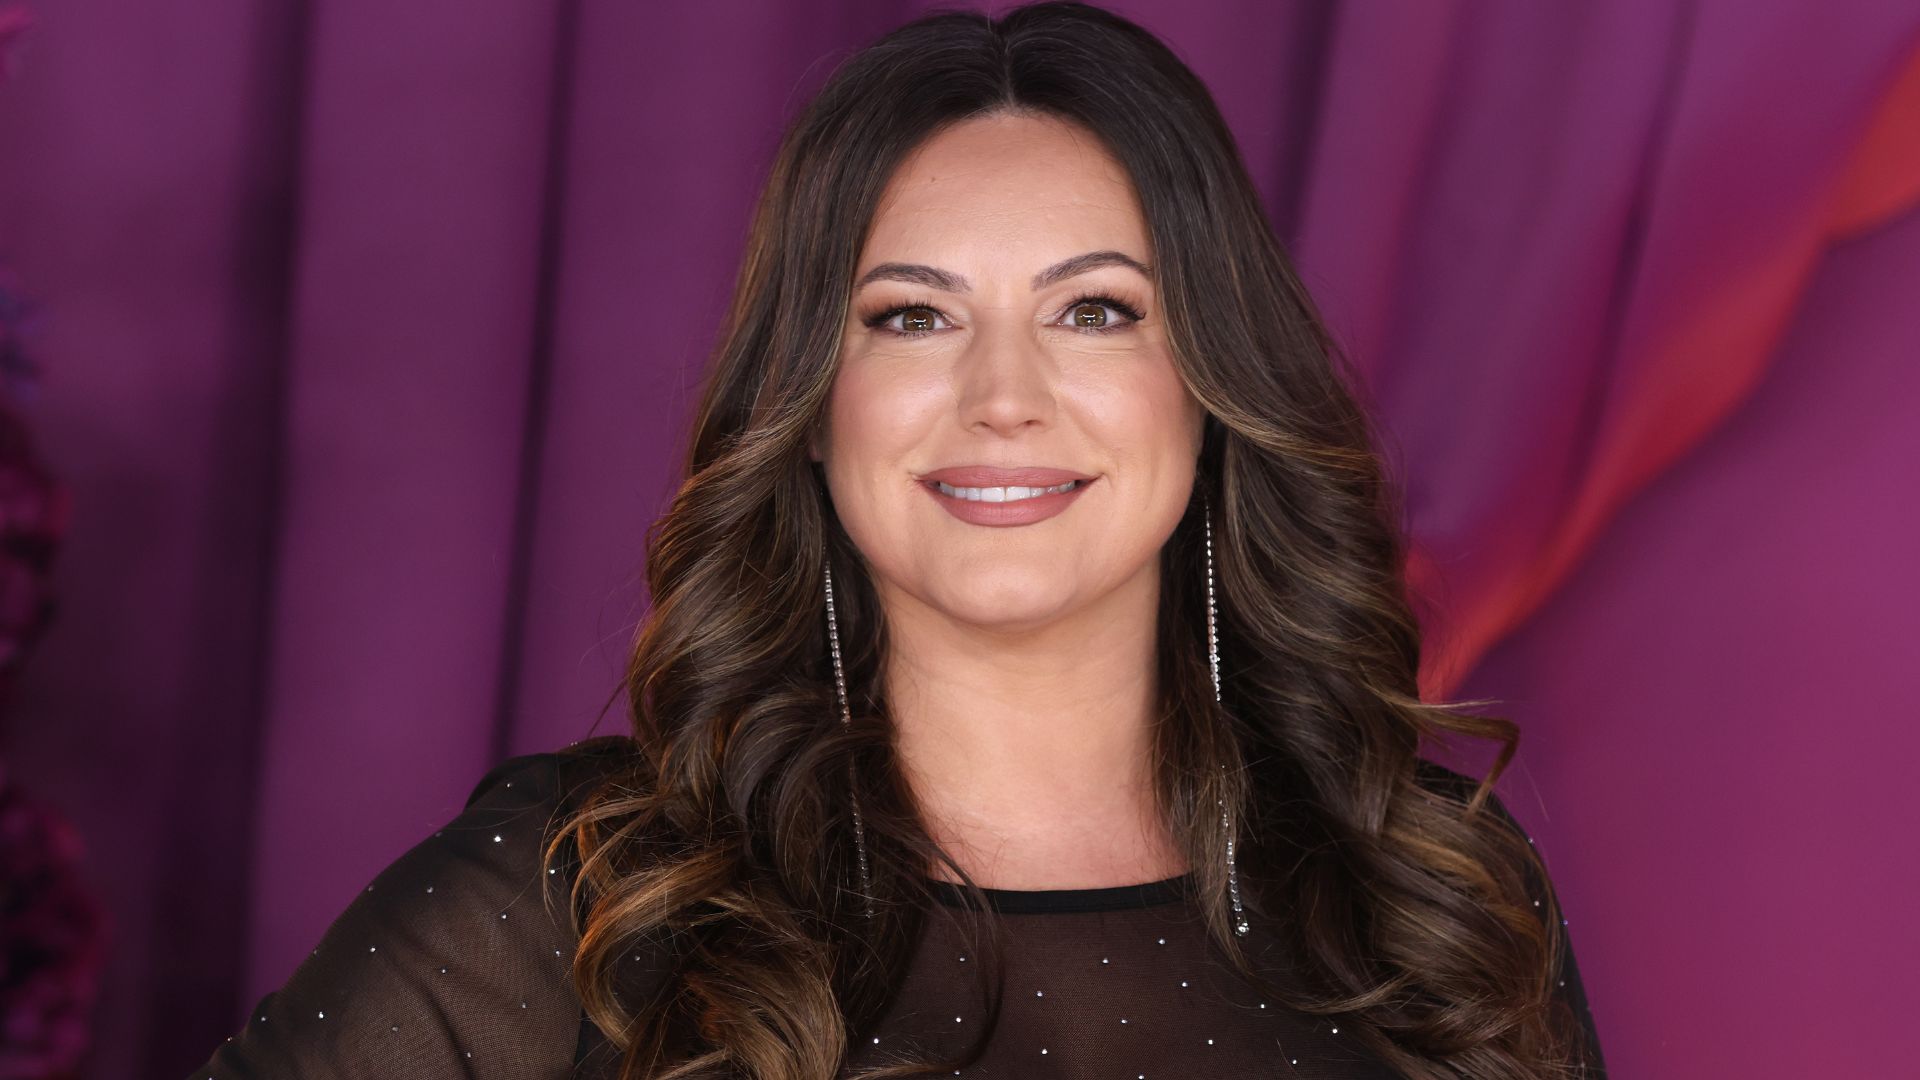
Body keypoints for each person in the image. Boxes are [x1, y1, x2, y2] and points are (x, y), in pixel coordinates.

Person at [189, 3, 1605, 1077]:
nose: (1004, 397)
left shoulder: (1430, 898)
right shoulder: (589, 892)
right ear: (811, 407)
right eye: (910, 317)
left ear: (1213, 388)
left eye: (1096, 310)